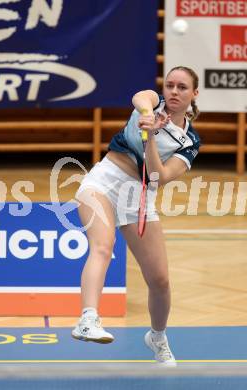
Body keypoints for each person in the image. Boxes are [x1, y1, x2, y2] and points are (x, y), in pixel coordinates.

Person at [72, 66, 201, 366]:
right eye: (169, 85)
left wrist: (150, 136)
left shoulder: (189, 142)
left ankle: (157, 336)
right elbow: (140, 96)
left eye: (182, 87)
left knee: (160, 280)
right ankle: (88, 319)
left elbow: (160, 175)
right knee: (102, 247)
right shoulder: (152, 102)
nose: (173, 91)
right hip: (104, 181)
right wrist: (146, 114)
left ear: (194, 94)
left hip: (140, 195)